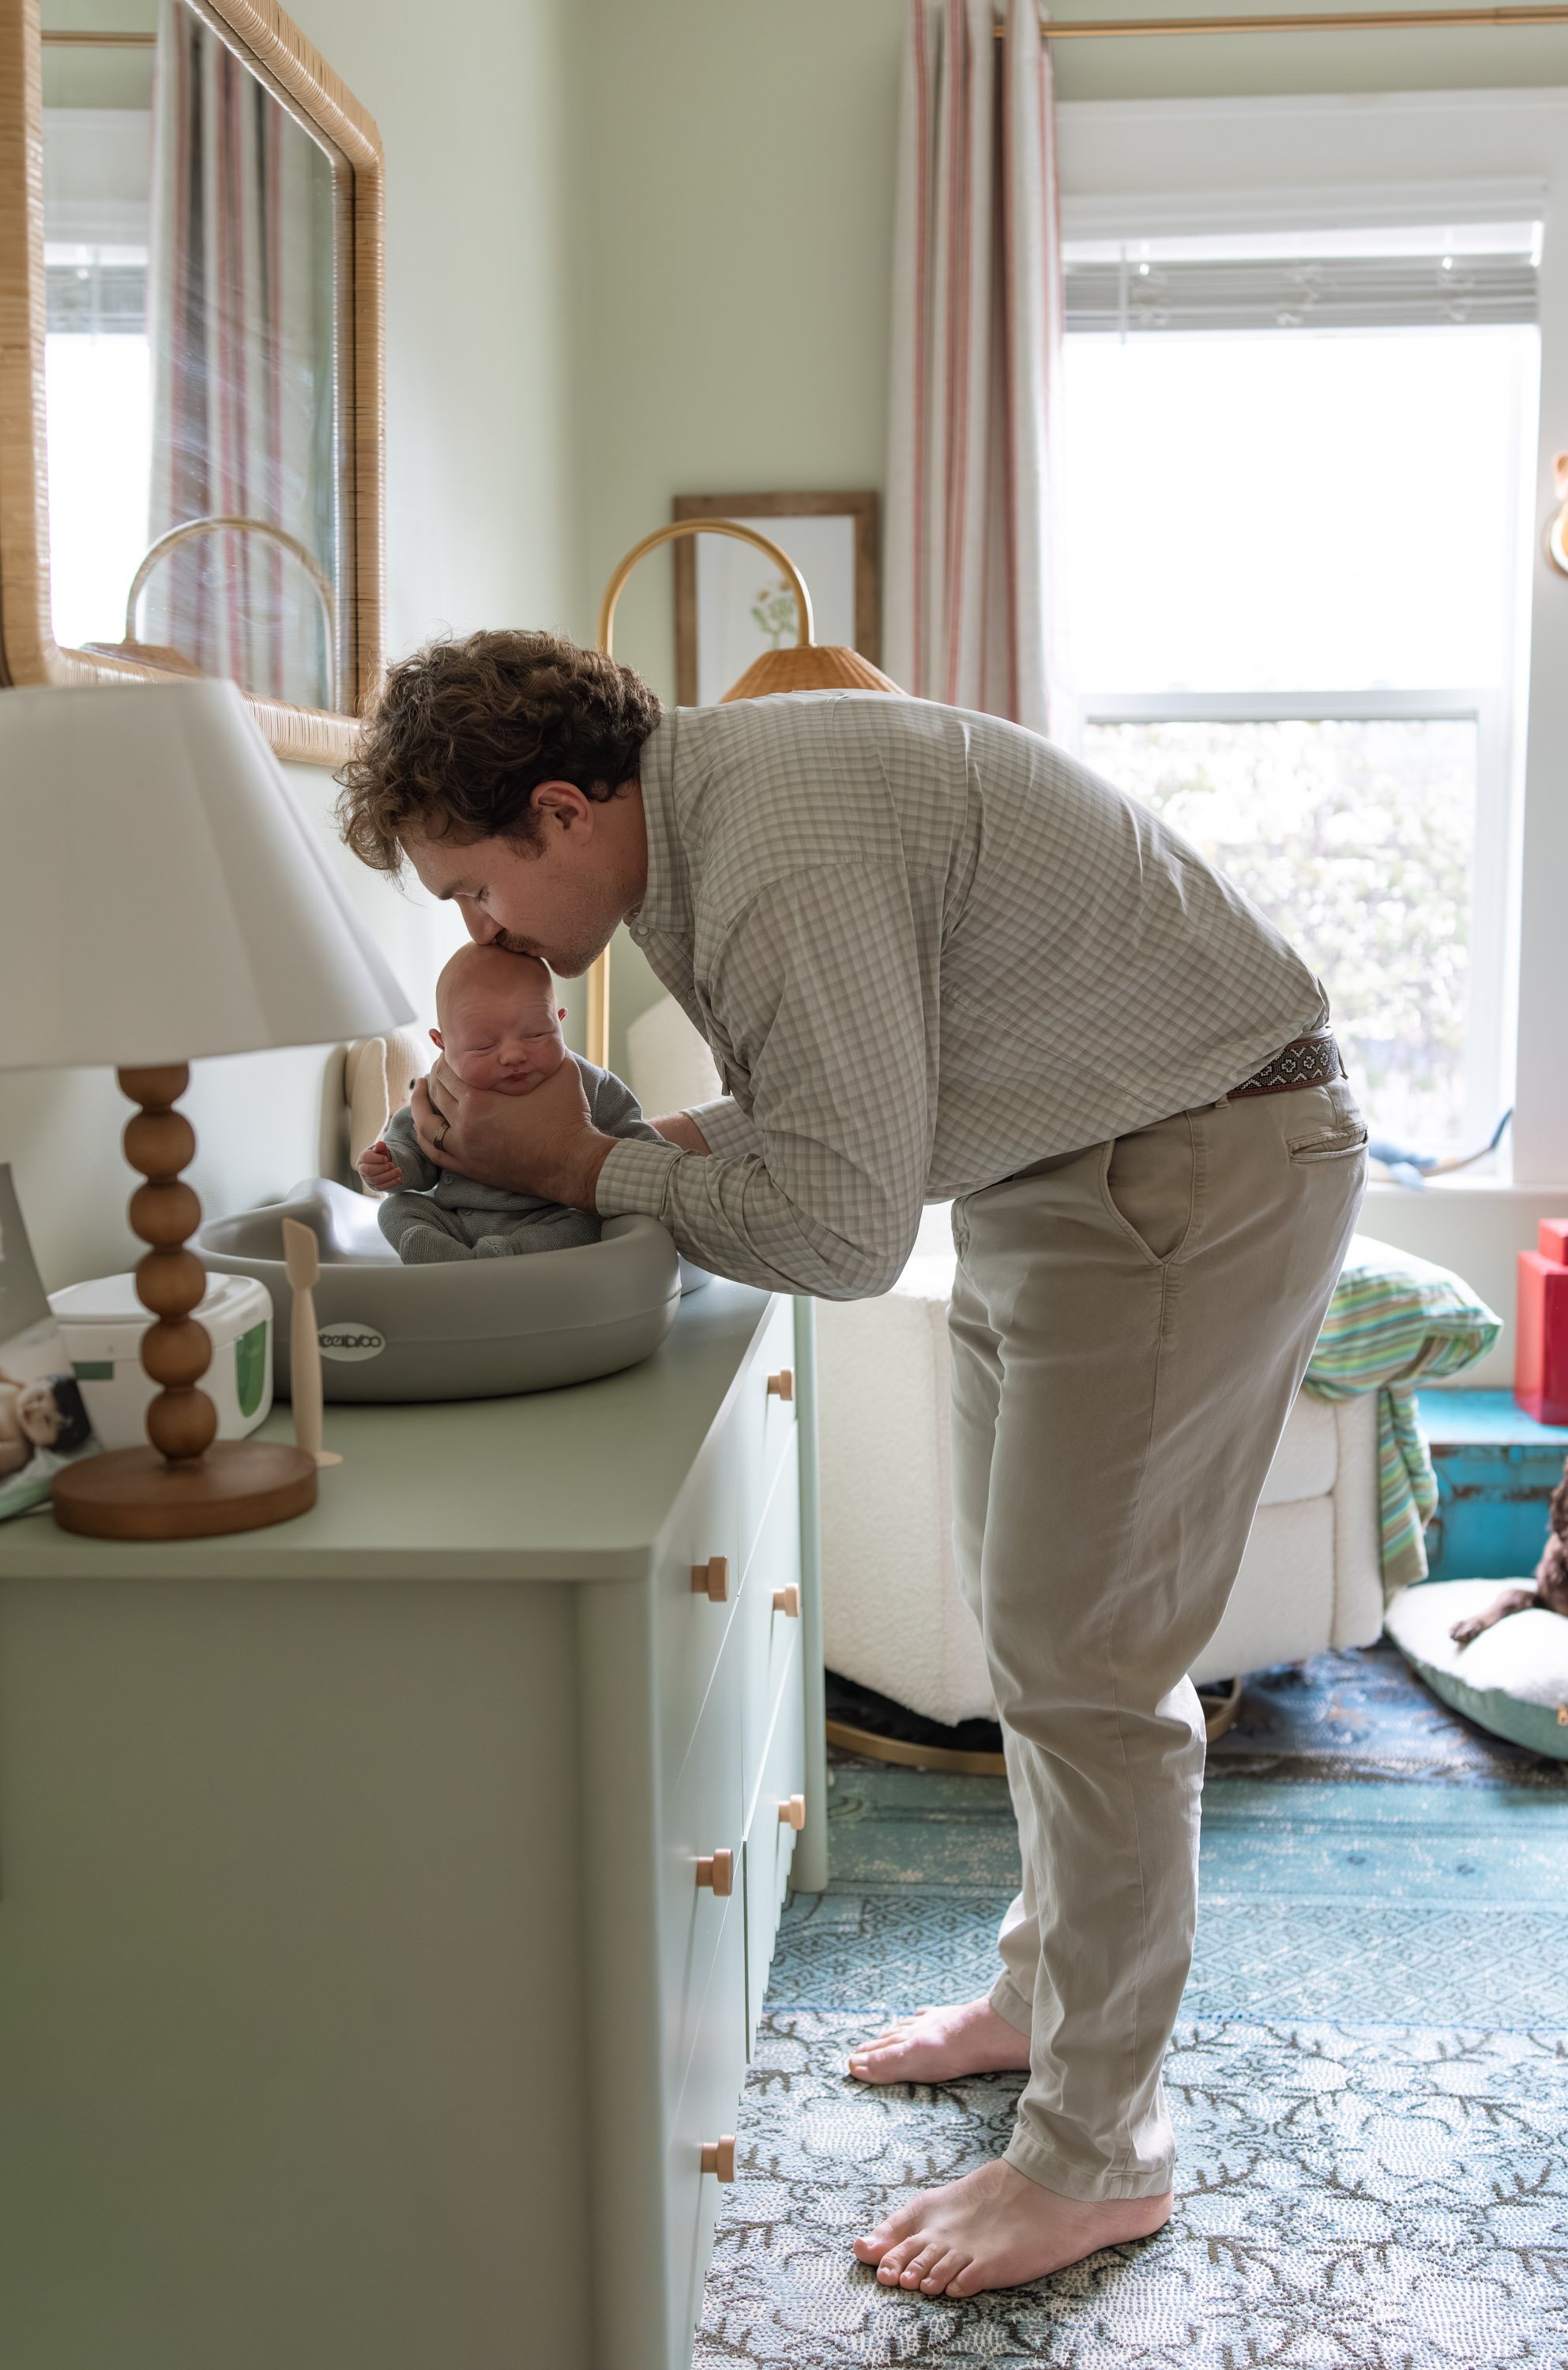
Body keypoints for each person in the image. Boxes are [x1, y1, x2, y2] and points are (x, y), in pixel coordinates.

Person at [337, 629, 1367, 2300]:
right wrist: (586, 1151)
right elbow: (839, 1118)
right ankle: (1042, 1998)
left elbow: (837, 1227)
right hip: (1068, 1165)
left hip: (1189, 1164)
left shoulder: (772, 848)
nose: (481, 932)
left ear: (560, 812)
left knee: (1091, 1672)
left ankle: (1098, 2154)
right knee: (1035, 1636)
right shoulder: (719, 820)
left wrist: (590, 1171)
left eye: (473, 888)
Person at [357, 941, 661, 1262]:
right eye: (483, 1046)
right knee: (395, 1208)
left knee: (587, 1225)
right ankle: (447, 1261)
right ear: (442, 1043)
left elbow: (643, 1147)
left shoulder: (589, 1083)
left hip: (549, 1220)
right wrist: (392, 1163)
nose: (514, 1055)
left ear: (558, 1021)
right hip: (458, 1220)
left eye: (537, 1034)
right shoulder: (441, 1092)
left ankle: (490, 1265)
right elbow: (413, 1147)